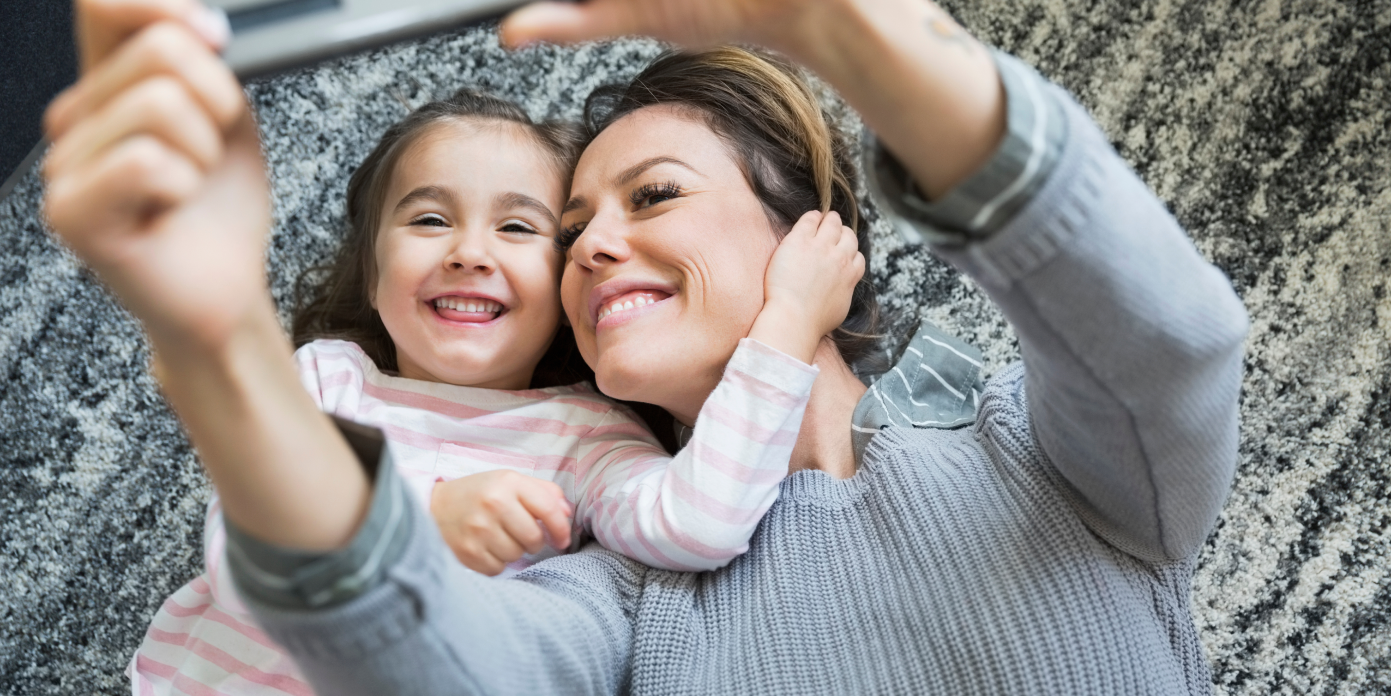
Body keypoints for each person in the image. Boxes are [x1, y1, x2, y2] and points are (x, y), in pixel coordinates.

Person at [42, 0, 1249, 692]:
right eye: (567, 232)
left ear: (803, 233)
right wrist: (216, 346)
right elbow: (428, 667)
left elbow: (1166, 343)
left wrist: (857, 42)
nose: (586, 250)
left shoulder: (1042, 465)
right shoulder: (609, 583)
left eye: (652, 197)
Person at [106, 75, 862, 694]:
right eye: (430, 220)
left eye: (522, 230)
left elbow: (699, 520)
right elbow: (238, 559)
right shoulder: (328, 382)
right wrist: (422, 522)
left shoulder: (582, 435)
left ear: (569, 298)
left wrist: (787, 323)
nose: (469, 252)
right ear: (372, 278)